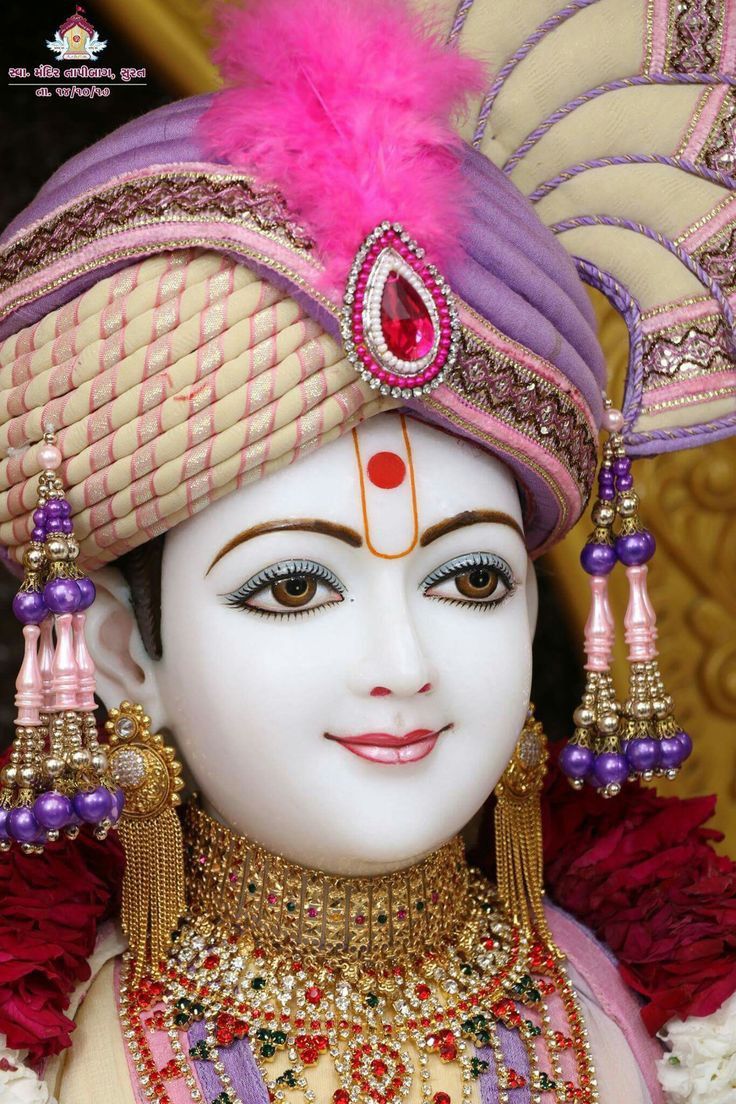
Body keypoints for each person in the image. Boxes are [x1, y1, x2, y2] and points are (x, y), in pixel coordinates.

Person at [0, 2, 734, 1103]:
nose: (403, 659)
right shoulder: (39, 1050)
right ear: (118, 653)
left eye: (470, 578)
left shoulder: (666, 1016)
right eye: (294, 585)